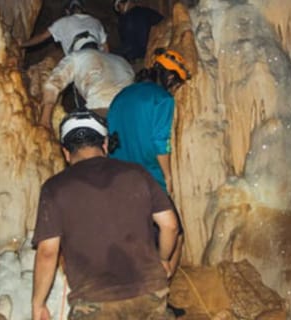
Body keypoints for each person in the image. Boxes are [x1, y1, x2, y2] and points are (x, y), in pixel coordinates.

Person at [32, 111, 180, 319]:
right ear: (105, 144)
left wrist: (38, 303)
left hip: (95, 301)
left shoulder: (54, 188)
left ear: (66, 152)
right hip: (149, 292)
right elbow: (170, 225)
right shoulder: (137, 173)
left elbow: (47, 252)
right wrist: (163, 259)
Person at [106, 48, 190, 195]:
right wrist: (168, 176)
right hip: (150, 178)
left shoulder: (121, 95)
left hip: (118, 175)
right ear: (170, 78)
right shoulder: (162, 99)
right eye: (176, 85)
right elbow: (160, 141)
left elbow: (111, 136)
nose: (174, 90)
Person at [38, 33, 134, 129]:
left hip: (100, 108)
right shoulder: (121, 60)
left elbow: (54, 83)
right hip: (129, 111)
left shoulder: (77, 56)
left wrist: (45, 120)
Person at [20, 0, 107, 55]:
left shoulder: (62, 22)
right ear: (83, 9)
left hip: (78, 57)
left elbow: (42, 37)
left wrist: (22, 44)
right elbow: (106, 47)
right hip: (98, 54)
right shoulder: (96, 21)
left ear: (67, 11)